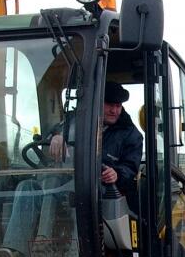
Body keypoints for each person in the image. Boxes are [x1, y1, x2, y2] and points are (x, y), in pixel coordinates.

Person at [49, 81, 143, 212]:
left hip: (102, 192)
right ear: (98, 103)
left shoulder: (131, 135)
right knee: (28, 186)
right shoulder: (77, 119)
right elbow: (59, 127)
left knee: (79, 195)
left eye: (118, 106)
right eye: (110, 105)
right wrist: (57, 135)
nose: (114, 111)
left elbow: (130, 167)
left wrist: (117, 173)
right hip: (68, 181)